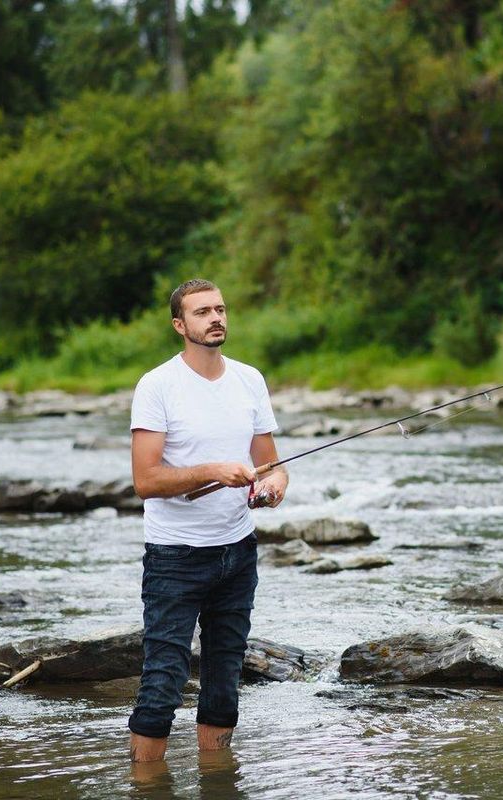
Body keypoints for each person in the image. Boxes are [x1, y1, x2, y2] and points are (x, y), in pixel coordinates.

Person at [126, 278, 288, 763]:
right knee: (162, 684)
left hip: (238, 552)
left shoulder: (249, 379)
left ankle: (218, 783)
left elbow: (272, 463)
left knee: (224, 682)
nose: (215, 318)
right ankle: (146, 789)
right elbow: (146, 480)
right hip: (175, 557)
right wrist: (213, 470)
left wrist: (274, 486)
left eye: (220, 309)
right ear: (180, 324)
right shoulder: (157, 386)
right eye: (201, 312)